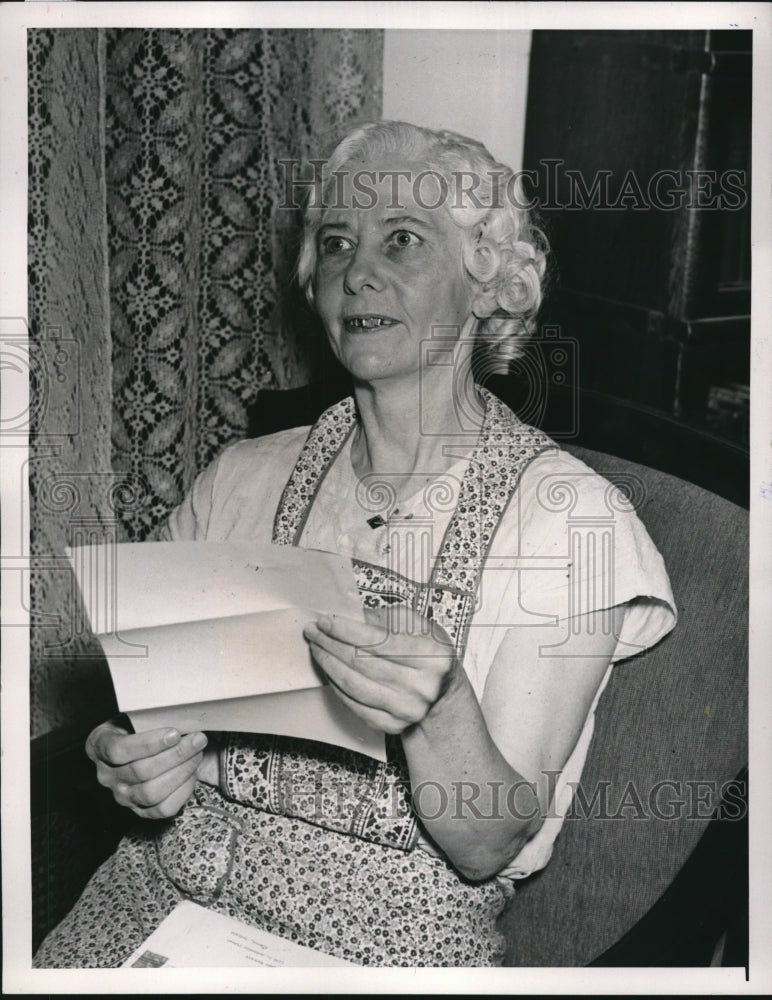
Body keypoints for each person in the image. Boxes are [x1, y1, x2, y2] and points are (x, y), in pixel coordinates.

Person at [34, 121, 676, 968]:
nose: (357, 272)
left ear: (489, 284)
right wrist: (125, 760)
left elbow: (487, 844)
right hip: (164, 906)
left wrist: (440, 707)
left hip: (382, 949)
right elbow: (136, 726)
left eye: (402, 240)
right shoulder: (240, 479)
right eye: (336, 243)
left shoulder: (572, 524)